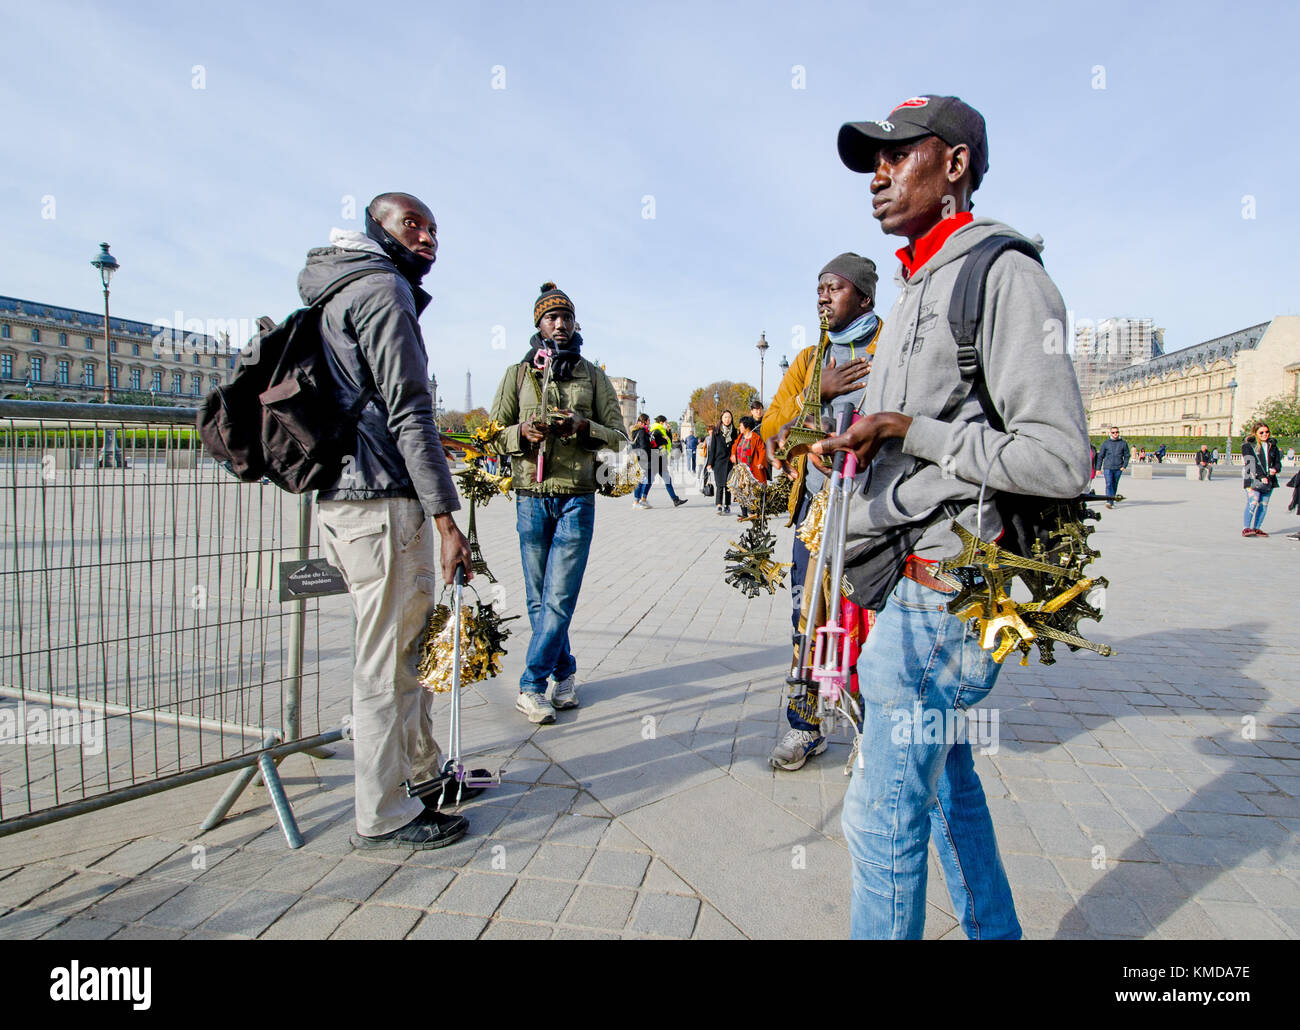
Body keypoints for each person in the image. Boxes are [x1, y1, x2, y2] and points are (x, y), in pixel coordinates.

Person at [821, 95, 1091, 939]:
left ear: (956, 164)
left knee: (879, 818)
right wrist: (862, 439)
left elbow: (1059, 458)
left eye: (900, 154)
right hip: (902, 579)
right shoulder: (913, 284)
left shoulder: (1005, 275)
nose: (880, 173)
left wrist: (912, 430)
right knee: (945, 787)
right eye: (874, 159)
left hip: (946, 595)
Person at [302, 192, 474, 851]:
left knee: (404, 650)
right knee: (388, 661)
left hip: (347, 499)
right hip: (382, 500)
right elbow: (409, 412)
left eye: (434, 227)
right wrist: (446, 519)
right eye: (413, 225)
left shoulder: (335, 288)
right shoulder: (382, 290)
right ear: (379, 228)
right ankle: (384, 809)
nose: (428, 237)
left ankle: (421, 776)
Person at [485, 282, 628, 723]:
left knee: (559, 596)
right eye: (551, 317)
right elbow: (491, 435)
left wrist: (585, 429)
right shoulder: (517, 374)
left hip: (576, 497)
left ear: (575, 322)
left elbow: (621, 437)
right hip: (529, 495)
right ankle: (564, 673)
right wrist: (519, 434)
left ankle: (531, 684)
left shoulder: (594, 375)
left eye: (566, 316)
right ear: (538, 324)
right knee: (537, 598)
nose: (560, 324)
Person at [763, 252, 881, 771]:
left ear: (864, 297)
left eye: (834, 288)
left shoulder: (890, 350)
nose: (823, 296)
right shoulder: (811, 361)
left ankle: (870, 729)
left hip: (874, 513)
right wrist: (818, 396)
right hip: (815, 511)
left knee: (870, 621)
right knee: (805, 618)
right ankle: (803, 725)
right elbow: (771, 428)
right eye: (819, 289)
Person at [1241, 421, 1282, 537]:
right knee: (1253, 502)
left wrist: (1275, 469)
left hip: (1269, 479)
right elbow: (1249, 463)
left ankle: (1257, 527)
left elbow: (1278, 463)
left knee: (1264, 504)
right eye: (1262, 432)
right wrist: (1261, 476)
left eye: (1267, 432)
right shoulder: (1248, 445)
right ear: (1255, 433)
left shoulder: (1272, 446)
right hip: (1253, 478)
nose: (1265, 434)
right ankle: (1246, 527)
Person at [729, 415, 768, 518]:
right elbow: (734, 446)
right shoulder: (740, 437)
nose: (739, 427)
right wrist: (733, 455)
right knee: (740, 490)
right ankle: (744, 513)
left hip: (751, 469)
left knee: (751, 491)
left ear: (746, 426)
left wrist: (760, 462)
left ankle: (752, 511)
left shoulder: (756, 437)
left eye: (741, 425)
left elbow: (762, 450)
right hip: (740, 470)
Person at [650, 414, 688, 507]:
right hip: (657, 459)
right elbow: (658, 443)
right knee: (649, 480)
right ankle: (639, 498)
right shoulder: (656, 430)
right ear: (661, 422)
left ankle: (675, 499)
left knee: (665, 479)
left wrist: (669, 431)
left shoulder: (662, 430)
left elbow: (669, 440)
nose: (667, 424)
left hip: (661, 459)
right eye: (666, 422)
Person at [707, 410, 737, 515]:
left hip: (729, 462)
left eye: (729, 417)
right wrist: (710, 463)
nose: (727, 419)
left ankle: (727, 505)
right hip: (718, 462)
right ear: (721, 419)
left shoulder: (734, 431)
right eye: (725, 417)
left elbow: (736, 447)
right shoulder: (716, 432)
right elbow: (712, 448)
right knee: (720, 484)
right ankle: (719, 505)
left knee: (728, 485)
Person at [1095, 426, 1130, 508]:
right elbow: (1100, 456)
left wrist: (1124, 466)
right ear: (1110, 433)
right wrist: (1098, 468)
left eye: (1117, 432)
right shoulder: (1106, 443)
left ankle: (1112, 500)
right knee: (1109, 483)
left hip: (1118, 468)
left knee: (1114, 484)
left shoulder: (1123, 443)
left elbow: (1127, 455)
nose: (1115, 434)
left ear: (1119, 433)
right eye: (1113, 432)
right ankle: (1109, 501)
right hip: (1108, 467)